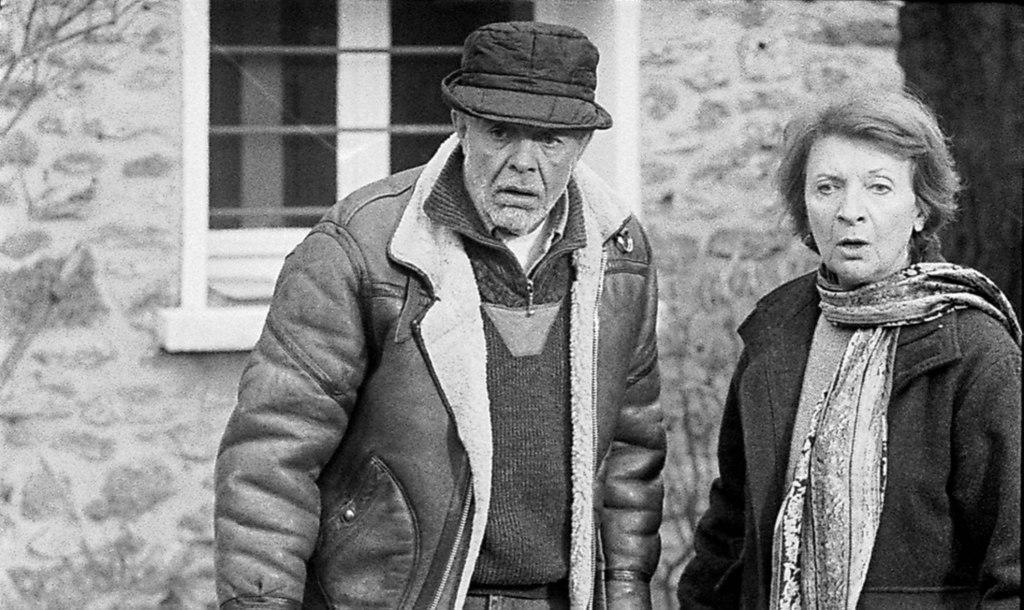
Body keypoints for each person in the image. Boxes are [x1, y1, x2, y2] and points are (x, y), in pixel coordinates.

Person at [214, 21, 665, 610]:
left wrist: (627, 596)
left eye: (551, 141)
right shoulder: (364, 245)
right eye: (501, 132)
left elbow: (632, 455)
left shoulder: (619, 256)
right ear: (461, 126)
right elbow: (272, 453)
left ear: (581, 145)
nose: (524, 164)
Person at [677, 88, 1021, 609]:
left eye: (879, 188)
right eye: (827, 188)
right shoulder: (775, 336)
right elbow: (729, 535)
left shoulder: (975, 351)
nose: (849, 211)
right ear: (805, 206)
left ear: (921, 210)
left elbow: (1013, 563)